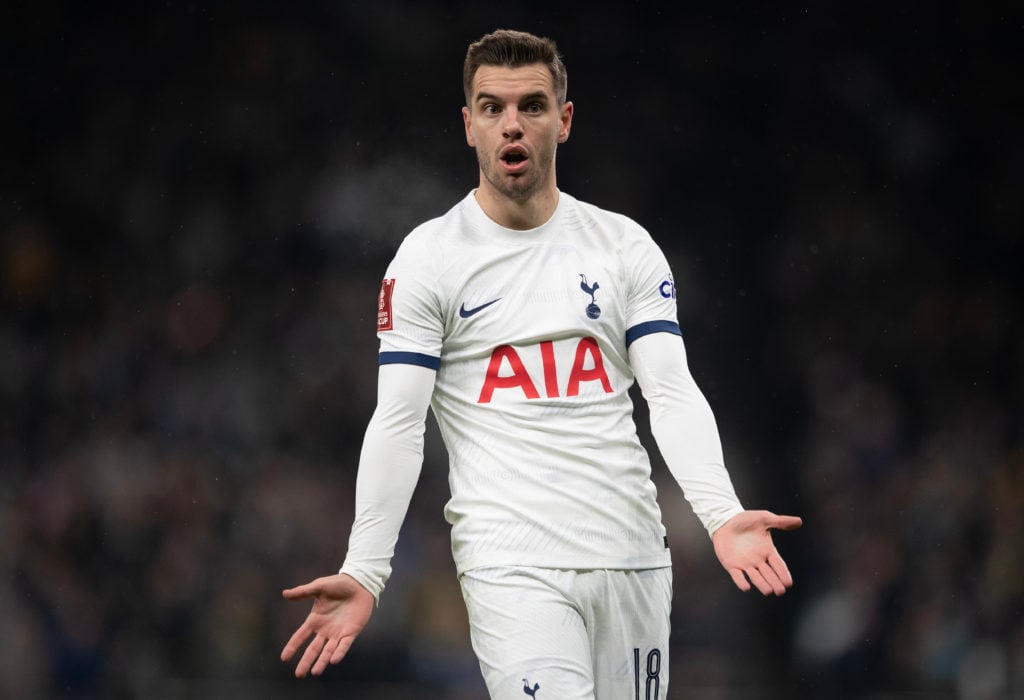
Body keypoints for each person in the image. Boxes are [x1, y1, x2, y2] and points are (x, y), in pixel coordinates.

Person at [281, 29, 801, 698]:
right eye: (492, 108)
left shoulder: (623, 247)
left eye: (531, 104)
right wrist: (366, 568)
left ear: (565, 118)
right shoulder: (428, 259)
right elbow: (399, 423)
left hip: (633, 557)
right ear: (468, 126)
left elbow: (669, 391)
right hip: (511, 565)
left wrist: (722, 514)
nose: (512, 124)